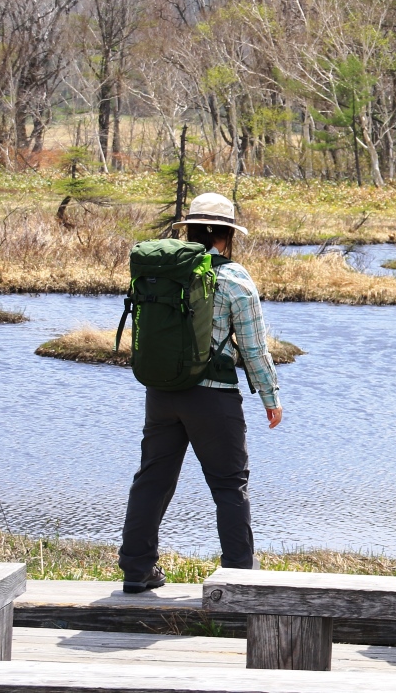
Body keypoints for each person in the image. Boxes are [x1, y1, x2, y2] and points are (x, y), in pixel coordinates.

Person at [118, 192, 283, 594]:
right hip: (213, 397)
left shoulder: (163, 270)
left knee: (152, 480)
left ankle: (137, 570)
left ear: (188, 231)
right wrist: (270, 396)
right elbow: (253, 346)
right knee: (229, 485)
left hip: (162, 391)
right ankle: (238, 576)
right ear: (226, 235)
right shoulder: (234, 278)